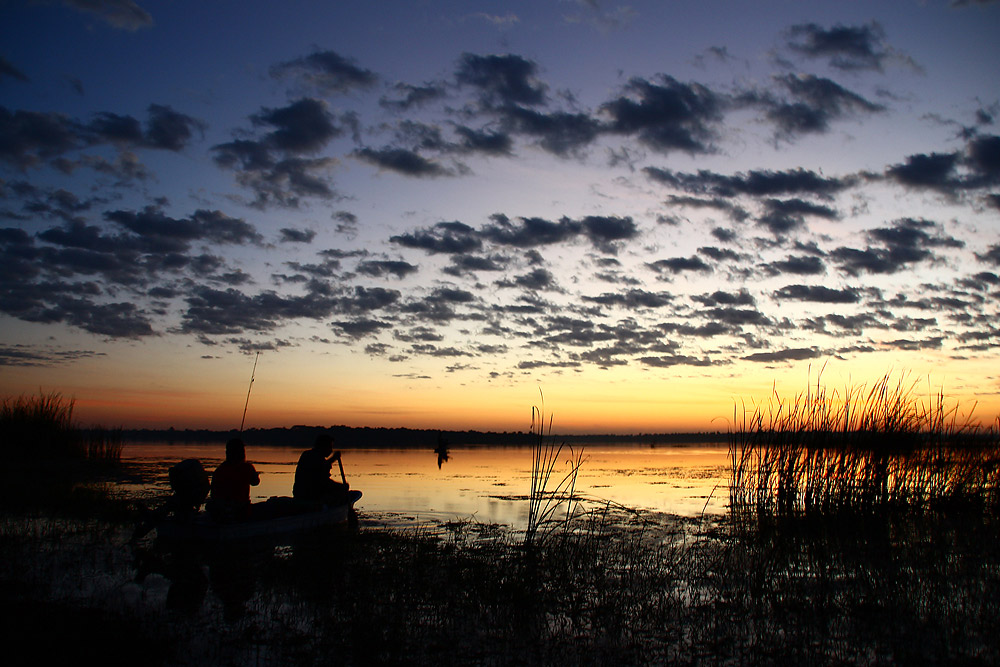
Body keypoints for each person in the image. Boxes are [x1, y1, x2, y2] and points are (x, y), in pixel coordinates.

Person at [209, 438, 260, 521]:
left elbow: (213, 493)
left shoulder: (219, 470)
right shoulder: (247, 468)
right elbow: (255, 482)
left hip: (220, 510)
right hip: (241, 510)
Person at [293, 434, 349, 506]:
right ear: (322, 446)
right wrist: (334, 458)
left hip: (306, 492)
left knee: (342, 488)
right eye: (329, 447)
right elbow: (321, 477)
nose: (331, 450)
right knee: (342, 489)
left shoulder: (311, 455)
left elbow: (324, 474)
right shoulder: (310, 456)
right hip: (308, 493)